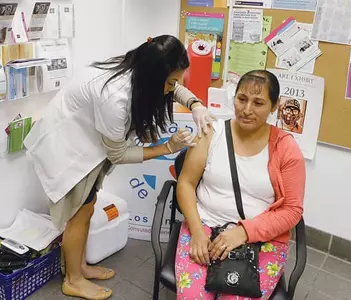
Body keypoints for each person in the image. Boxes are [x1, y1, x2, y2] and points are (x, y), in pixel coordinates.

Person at [23, 35, 215, 300]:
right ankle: (73, 280)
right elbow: (120, 153)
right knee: (78, 213)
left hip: (87, 147)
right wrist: (167, 148)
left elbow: (173, 85)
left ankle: (79, 266)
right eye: (171, 82)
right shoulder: (116, 96)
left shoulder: (139, 68)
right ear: (154, 76)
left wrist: (195, 105)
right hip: (68, 151)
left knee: (88, 207)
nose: (174, 87)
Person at [175, 70, 305, 299]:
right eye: (241, 99)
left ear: (274, 106)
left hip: (260, 239)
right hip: (204, 227)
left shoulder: (286, 148)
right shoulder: (210, 133)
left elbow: (292, 210)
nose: (246, 110)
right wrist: (196, 231)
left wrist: (245, 232)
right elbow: (185, 183)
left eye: (258, 103)